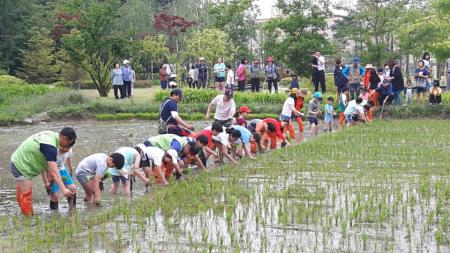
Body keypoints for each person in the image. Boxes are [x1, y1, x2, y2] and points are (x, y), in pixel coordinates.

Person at [9, 127, 77, 215]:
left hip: (21, 162)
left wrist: (49, 181)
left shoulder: (51, 135)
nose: (68, 147)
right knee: (26, 196)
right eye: (69, 143)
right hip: (20, 167)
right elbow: (54, 171)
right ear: (64, 138)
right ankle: (28, 221)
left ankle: (25, 214)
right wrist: (63, 189)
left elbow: (49, 169)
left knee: (23, 193)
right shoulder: (50, 146)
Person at [45, 146, 77, 210]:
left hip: (62, 170)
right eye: (63, 147)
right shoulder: (53, 151)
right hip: (52, 172)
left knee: (73, 188)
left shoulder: (69, 149)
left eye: (67, 148)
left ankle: (72, 209)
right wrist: (47, 180)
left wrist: (70, 169)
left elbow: (68, 158)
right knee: (55, 196)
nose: (65, 149)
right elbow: (45, 164)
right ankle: (54, 214)